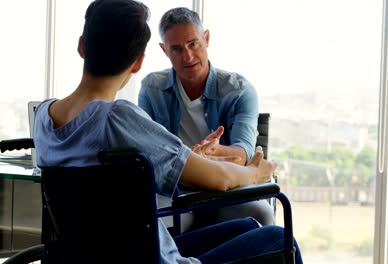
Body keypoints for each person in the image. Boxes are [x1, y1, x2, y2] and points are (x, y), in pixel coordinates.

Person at [33, 0, 302, 263]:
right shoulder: (119, 119)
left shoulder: (43, 118)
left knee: (249, 227)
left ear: (81, 46)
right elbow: (220, 179)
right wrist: (257, 173)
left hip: (103, 255)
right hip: (150, 257)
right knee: (281, 238)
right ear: (138, 62)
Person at [138, 7, 275, 229]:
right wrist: (192, 159)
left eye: (193, 44)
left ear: (207, 39)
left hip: (228, 186)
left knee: (261, 215)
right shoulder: (151, 88)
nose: (188, 56)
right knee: (154, 226)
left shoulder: (240, 90)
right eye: (177, 49)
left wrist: (214, 151)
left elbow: (243, 153)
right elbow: (148, 152)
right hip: (176, 188)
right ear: (164, 50)